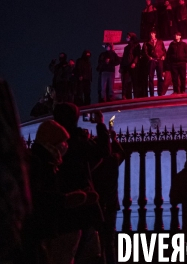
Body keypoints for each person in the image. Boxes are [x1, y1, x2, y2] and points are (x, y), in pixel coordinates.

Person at [21, 120, 87, 264]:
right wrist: (64, 199)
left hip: (47, 227)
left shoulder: (50, 161)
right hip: (41, 229)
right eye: (62, 141)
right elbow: (37, 195)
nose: (65, 145)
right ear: (52, 141)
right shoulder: (39, 163)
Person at [53, 103, 111, 264]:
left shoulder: (52, 141)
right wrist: (100, 124)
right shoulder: (77, 139)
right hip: (83, 203)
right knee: (91, 253)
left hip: (60, 207)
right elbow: (103, 151)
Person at [92, 122, 125, 264]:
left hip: (96, 205)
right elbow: (122, 154)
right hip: (111, 204)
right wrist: (114, 139)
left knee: (96, 240)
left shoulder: (93, 163)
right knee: (109, 241)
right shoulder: (112, 160)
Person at [142, 30, 166, 97]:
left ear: (155, 34)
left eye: (152, 33)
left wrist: (164, 56)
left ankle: (160, 93)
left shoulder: (160, 42)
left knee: (160, 77)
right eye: (150, 33)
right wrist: (149, 57)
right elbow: (145, 51)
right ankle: (152, 94)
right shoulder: (147, 43)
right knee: (150, 77)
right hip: (152, 61)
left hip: (159, 60)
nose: (151, 35)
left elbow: (164, 50)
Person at [120, 32, 141, 99]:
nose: (127, 38)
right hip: (126, 66)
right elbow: (124, 57)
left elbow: (137, 55)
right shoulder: (126, 47)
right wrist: (122, 67)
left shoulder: (136, 45)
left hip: (133, 66)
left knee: (134, 81)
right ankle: (124, 95)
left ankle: (136, 95)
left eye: (128, 36)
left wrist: (134, 62)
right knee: (125, 81)